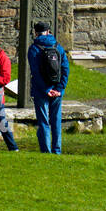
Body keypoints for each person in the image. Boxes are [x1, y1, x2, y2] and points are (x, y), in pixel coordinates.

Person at [27, 21, 70, 154]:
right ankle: (57, 150)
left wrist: (46, 89)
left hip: (42, 91)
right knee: (56, 121)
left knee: (44, 122)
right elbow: (65, 69)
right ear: (48, 32)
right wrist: (60, 88)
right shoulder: (58, 47)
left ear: (36, 33)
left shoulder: (34, 49)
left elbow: (35, 72)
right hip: (56, 89)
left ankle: (46, 151)